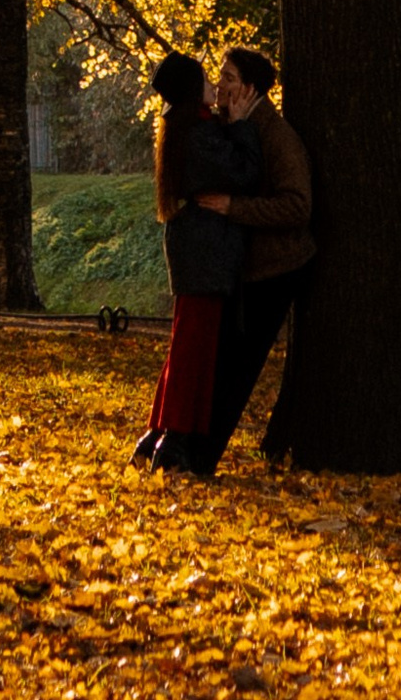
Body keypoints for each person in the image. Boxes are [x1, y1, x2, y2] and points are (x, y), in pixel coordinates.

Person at [132, 52, 259, 475]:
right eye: (207, 80)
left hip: (197, 251)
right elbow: (243, 173)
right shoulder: (198, 134)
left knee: (186, 344)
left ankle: (162, 432)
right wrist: (241, 125)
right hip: (206, 253)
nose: (214, 86)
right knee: (194, 347)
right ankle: (175, 438)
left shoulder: (189, 128)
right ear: (192, 90)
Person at [188, 46, 313, 475]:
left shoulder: (277, 136)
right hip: (242, 269)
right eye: (220, 77)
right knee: (219, 366)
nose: (220, 85)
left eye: (228, 78)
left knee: (237, 370)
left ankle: (202, 460)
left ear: (249, 88)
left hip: (276, 269)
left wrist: (232, 207)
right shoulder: (236, 125)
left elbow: (297, 206)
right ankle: (193, 455)